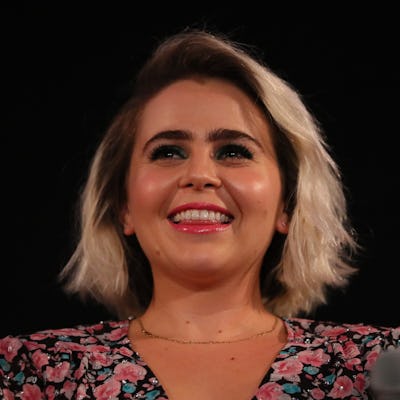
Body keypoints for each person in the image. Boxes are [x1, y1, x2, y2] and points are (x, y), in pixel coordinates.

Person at [1, 28, 399, 400]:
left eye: (234, 151)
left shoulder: (379, 363)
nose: (200, 174)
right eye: (168, 152)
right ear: (124, 207)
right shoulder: (26, 371)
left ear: (287, 204)